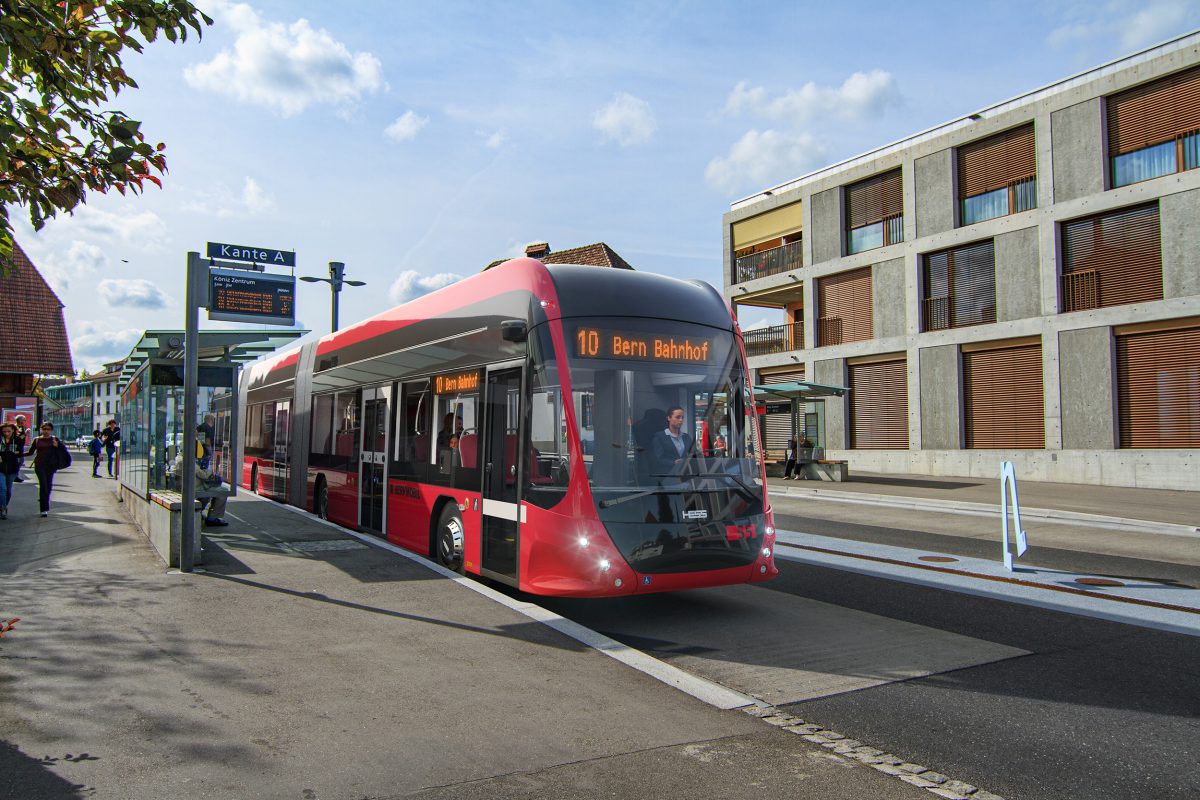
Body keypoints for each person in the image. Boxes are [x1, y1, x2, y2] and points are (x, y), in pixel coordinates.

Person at [172, 425, 229, 528]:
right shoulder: (187, 460)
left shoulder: (179, 458)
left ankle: (203, 513)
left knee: (209, 494)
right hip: (194, 489)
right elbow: (203, 475)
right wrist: (210, 470)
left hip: (185, 488)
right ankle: (213, 518)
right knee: (223, 491)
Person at [25, 421, 66, 517]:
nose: (46, 431)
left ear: (51, 430)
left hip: (51, 466)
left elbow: (63, 451)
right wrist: (17, 455)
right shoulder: (37, 440)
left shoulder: (54, 439)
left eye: (48, 429)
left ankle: (44, 499)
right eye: (44, 429)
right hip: (39, 465)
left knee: (48, 486)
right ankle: (44, 509)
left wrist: (58, 446)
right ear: (41, 429)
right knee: (43, 485)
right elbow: (30, 452)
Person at [650, 406, 693, 477]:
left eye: (682, 417)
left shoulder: (686, 437)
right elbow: (658, 458)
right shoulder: (659, 436)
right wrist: (673, 463)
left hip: (686, 474)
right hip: (668, 475)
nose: (681, 420)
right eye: (678, 417)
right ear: (669, 418)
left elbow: (692, 454)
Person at [0, 422, 21, 519]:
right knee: (2, 488)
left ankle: (4, 505)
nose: (6, 433)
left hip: (12, 468)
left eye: (8, 431)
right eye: (4, 431)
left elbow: (19, 453)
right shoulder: (0, 439)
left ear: (13, 430)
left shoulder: (17, 440)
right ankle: (3, 508)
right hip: (0, 468)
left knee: (8, 490)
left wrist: (10, 453)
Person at [12, 414, 28, 482]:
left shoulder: (22, 427)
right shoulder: (15, 428)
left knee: (20, 461)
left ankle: (15, 475)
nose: (25, 421)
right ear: (20, 421)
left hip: (21, 447)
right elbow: (17, 439)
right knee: (17, 462)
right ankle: (14, 476)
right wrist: (25, 434)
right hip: (16, 448)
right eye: (24, 420)